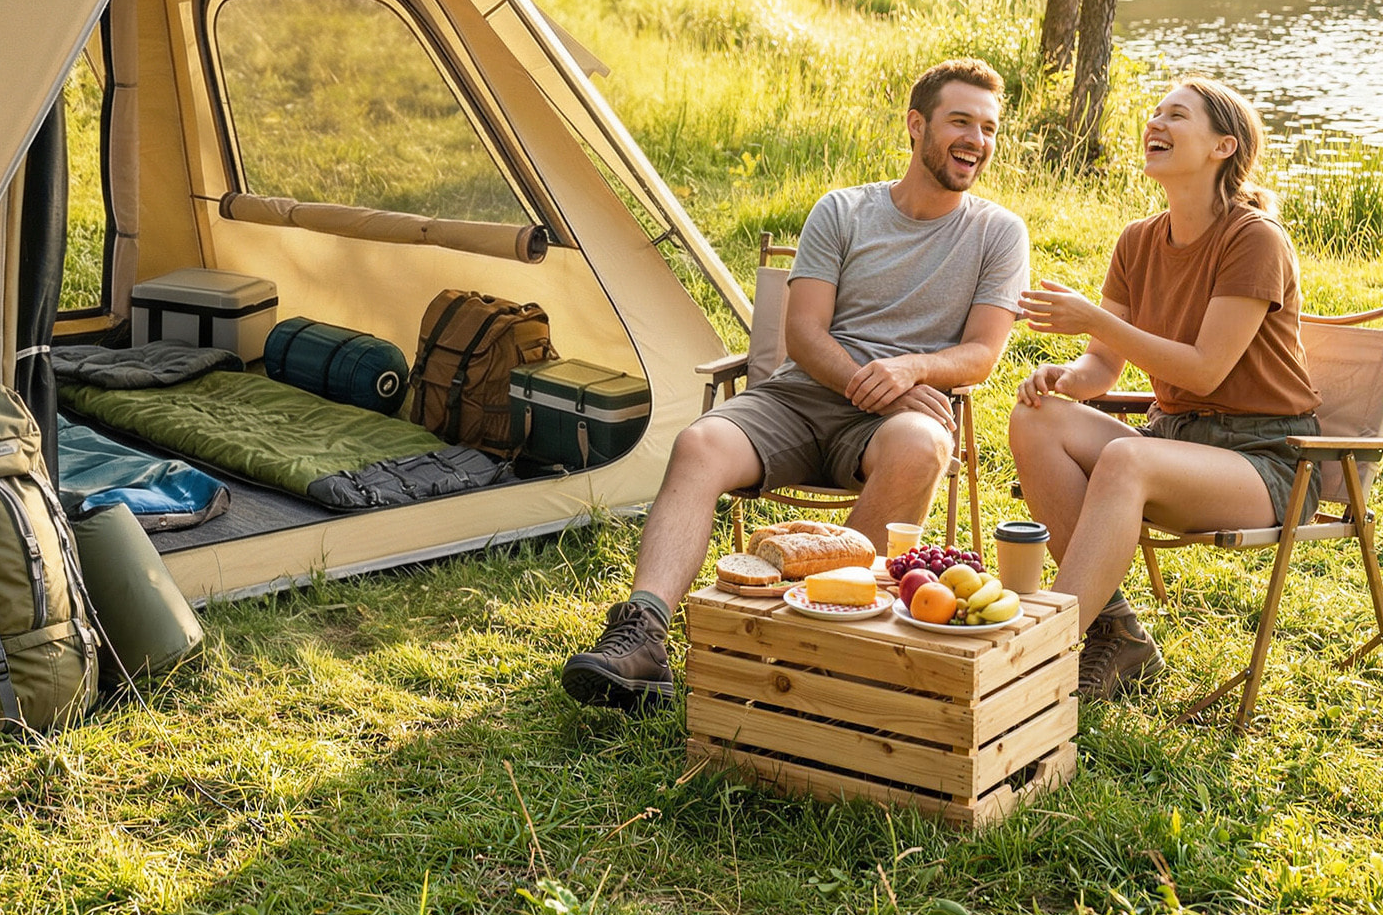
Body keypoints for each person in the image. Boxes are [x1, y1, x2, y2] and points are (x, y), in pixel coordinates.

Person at [561, 58, 1030, 712]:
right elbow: (805, 334)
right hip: (802, 397)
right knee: (700, 446)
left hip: (894, 422)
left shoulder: (998, 233)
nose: (976, 140)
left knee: (921, 446)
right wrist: (882, 382)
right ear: (917, 125)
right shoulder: (843, 211)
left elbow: (980, 354)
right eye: (960, 122)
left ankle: (815, 648)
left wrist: (911, 370)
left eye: (988, 128)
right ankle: (641, 633)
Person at [1009, 77, 1319, 701]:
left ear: (1222, 147)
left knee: (1128, 457)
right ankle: (1114, 631)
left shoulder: (1252, 238)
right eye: (1154, 111)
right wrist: (1065, 377)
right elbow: (1103, 365)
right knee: (1034, 417)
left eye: (1177, 114)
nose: (1156, 121)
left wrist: (1097, 319)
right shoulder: (1137, 239)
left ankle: (1036, 654)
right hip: (1175, 440)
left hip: (1269, 461)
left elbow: (1204, 370)